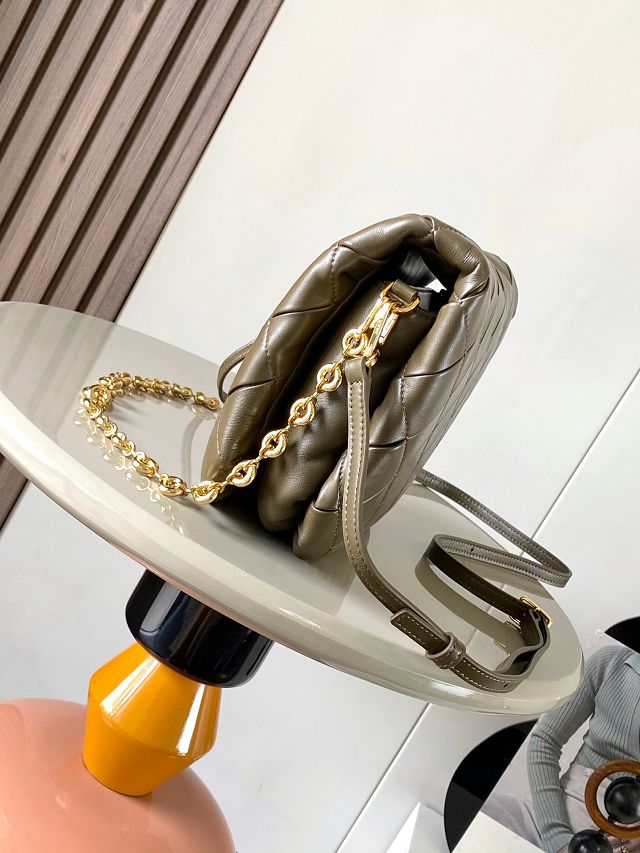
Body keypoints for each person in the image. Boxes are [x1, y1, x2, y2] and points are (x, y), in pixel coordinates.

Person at [484, 645, 640, 852]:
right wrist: (556, 836)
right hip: (557, 812)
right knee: (478, 819)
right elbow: (545, 740)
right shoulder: (612, 662)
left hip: (627, 841)